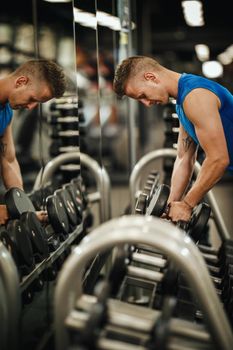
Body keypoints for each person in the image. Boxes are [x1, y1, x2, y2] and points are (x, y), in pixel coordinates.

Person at [113, 55, 233, 223]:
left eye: (143, 95)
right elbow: (184, 157)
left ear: (151, 77)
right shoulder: (183, 101)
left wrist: (187, 205)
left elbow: (219, 159)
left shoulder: (195, 96)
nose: (146, 104)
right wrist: (170, 205)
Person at [0, 59, 66, 224]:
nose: (31, 107)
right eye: (32, 98)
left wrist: (23, 209)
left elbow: (8, 160)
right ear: (21, 82)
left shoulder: (6, 111)